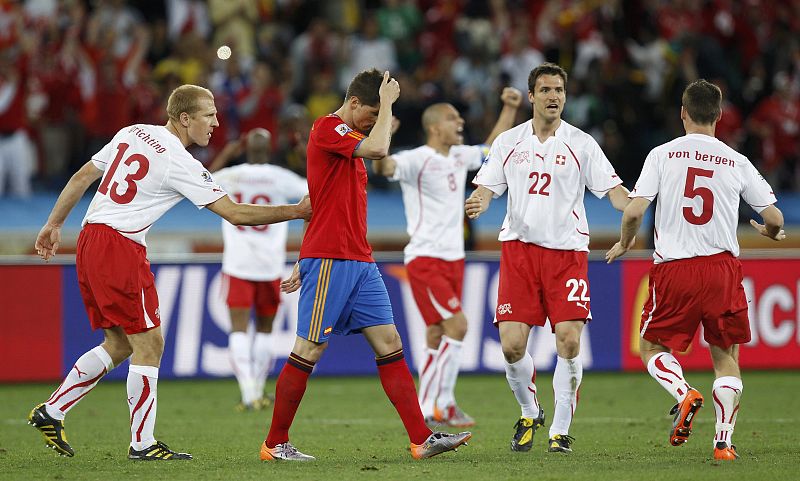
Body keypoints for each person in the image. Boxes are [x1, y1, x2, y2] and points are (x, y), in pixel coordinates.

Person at [28, 85, 311, 461]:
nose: (215, 122)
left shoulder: (132, 132)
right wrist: (296, 211)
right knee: (150, 344)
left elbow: (82, 176)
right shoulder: (180, 162)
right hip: (120, 247)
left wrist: (53, 224)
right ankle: (142, 444)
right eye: (208, 115)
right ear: (184, 118)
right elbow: (236, 214)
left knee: (121, 344)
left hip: (90, 237)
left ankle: (52, 411)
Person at [260, 69, 471, 462]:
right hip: (331, 259)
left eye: (378, 116)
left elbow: (317, 204)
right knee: (309, 347)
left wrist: (300, 256)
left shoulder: (351, 141)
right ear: (353, 102)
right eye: (370, 113)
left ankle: (421, 438)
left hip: (360, 259)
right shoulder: (326, 129)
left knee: (390, 343)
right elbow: (378, 151)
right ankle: (275, 443)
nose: (374, 122)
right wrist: (388, 105)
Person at [605, 79, 785, 461]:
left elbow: (635, 209)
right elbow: (774, 216)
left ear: (683, 113)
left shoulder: (662, 155)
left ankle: (684, 392)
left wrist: (625, 241)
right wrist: (768, 232)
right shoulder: (735, 160)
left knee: (652, 347)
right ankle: (723, 443)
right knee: (726, 355)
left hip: (675, 268)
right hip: (721, 269)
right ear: (719, 116)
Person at [465, 63, 631, 454]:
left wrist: (634, 209)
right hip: (519, 253)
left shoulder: (582, 143)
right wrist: (480, 201)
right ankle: (529, 409)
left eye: (559, 90)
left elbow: (614, 191)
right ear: (532, 96)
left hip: (567, 254)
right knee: (510, 347)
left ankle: (559, 428)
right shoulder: (509, 142)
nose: (554, 96)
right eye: (546, 90)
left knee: (569, 342)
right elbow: (488, 188)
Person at [372, 87, 523, 427]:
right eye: (453, 118)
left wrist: (509, 108)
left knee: (436, 333)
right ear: (435, 127)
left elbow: (492, 148)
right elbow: (383, 169)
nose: (460, 122)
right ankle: (435, 404)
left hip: (454, 257)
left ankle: (439, 403)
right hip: (426, 258)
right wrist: (383, 137)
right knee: (458, 325)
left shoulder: (458, 156)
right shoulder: (417, 159)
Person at [208, 128, 308, 411]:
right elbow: (314, 190)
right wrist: (303, 157)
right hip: (270, 265)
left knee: (238, 330)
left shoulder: (232, 174)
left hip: (238, 263)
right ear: (270, 148)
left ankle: (248, 392)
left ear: (245, 148)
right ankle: (260, 390)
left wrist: (226, 154)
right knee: (265, 330)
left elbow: (202, 182)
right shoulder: (280, 176)